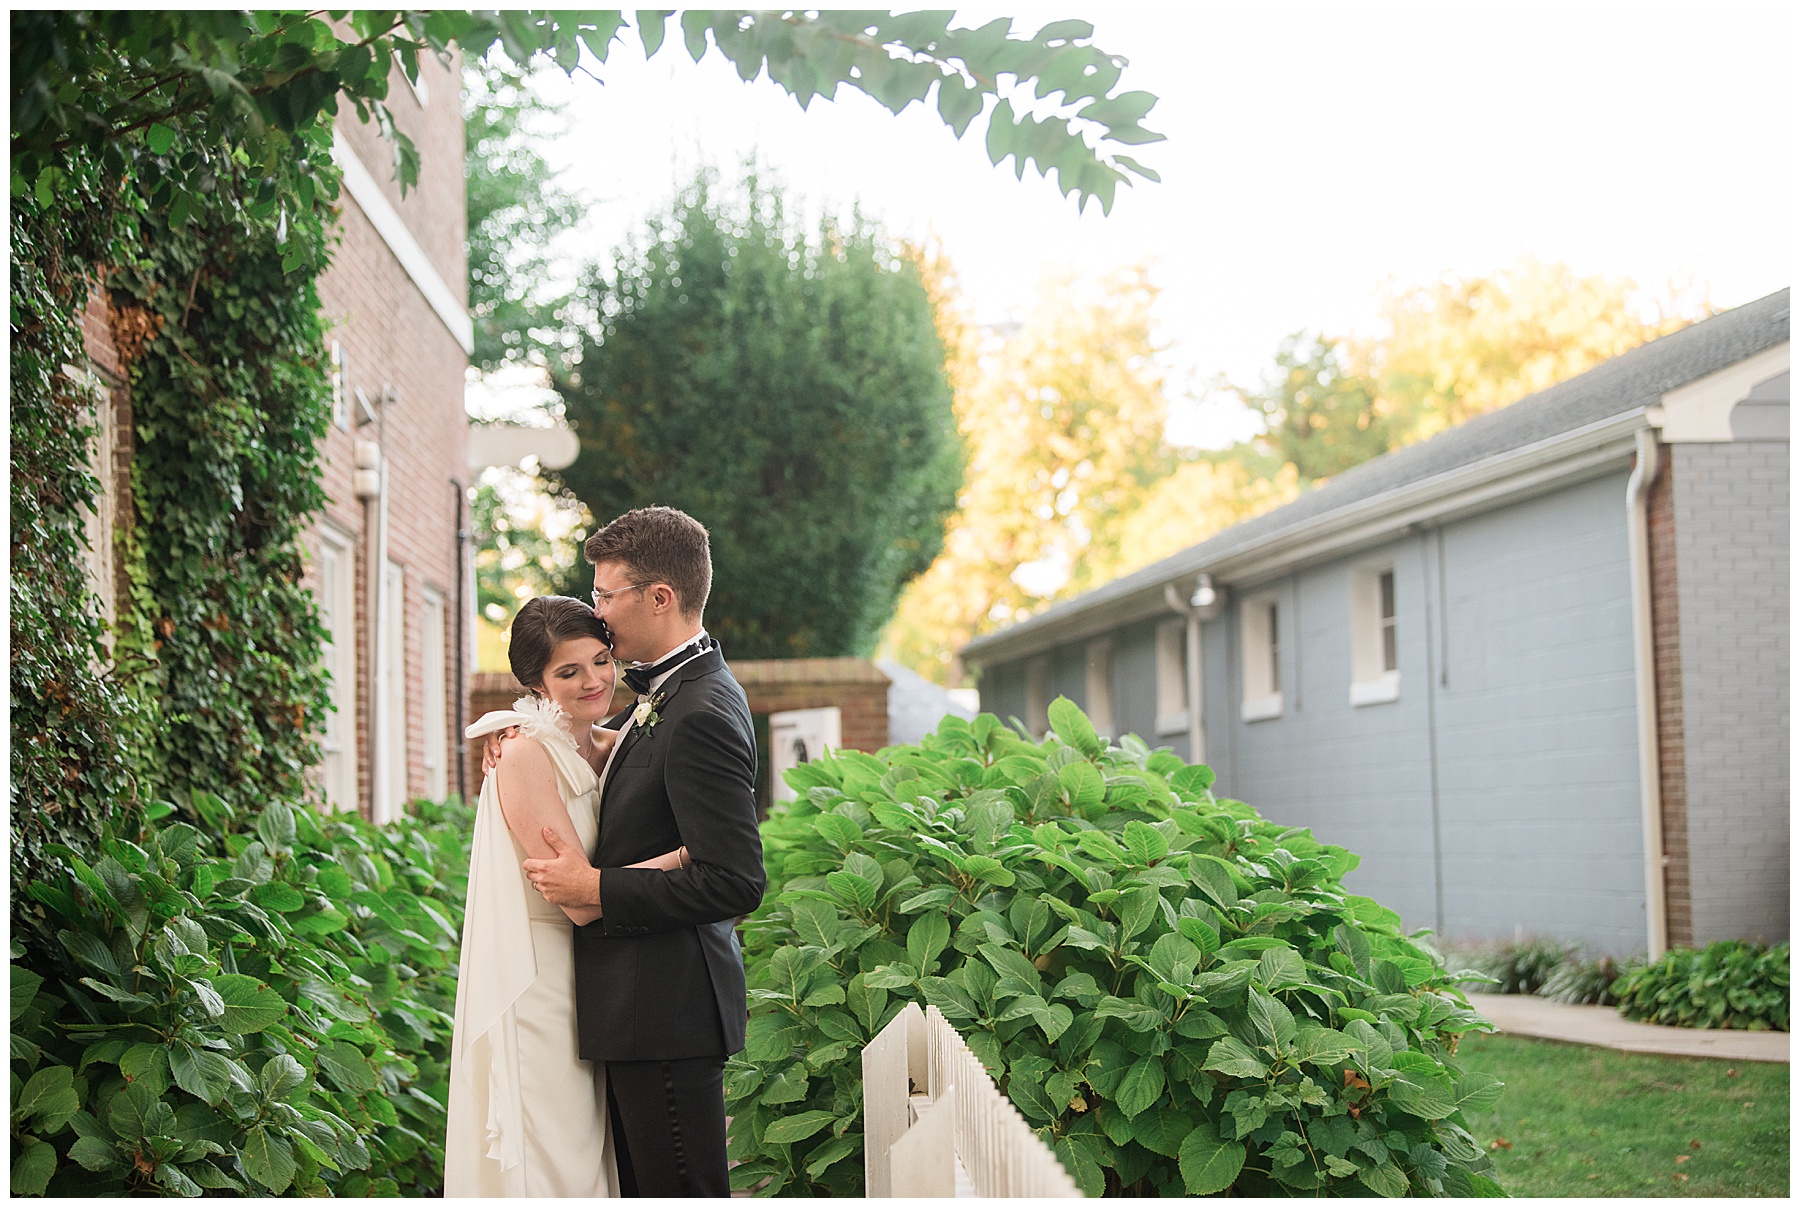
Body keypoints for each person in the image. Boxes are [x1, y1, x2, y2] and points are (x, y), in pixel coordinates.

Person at [517, 506, 766, 1197]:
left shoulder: (701, 711)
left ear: (659, 597)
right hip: (644, 1016)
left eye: (604, 595)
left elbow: (735, 878)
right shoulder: (668, 697)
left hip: (667, 1015)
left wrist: (597, 891)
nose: (597, 614)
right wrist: (525, 734)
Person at [445, 596, 686, 1197]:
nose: (594, 681)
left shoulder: (600, 740)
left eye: (601, 660)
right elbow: (578, 897)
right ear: (534, 684)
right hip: (540, 985)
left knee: (589, 1150)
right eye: (568, 672)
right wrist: (694, 857)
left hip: (593, 976)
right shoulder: (525, 753)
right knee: (556, 1155)